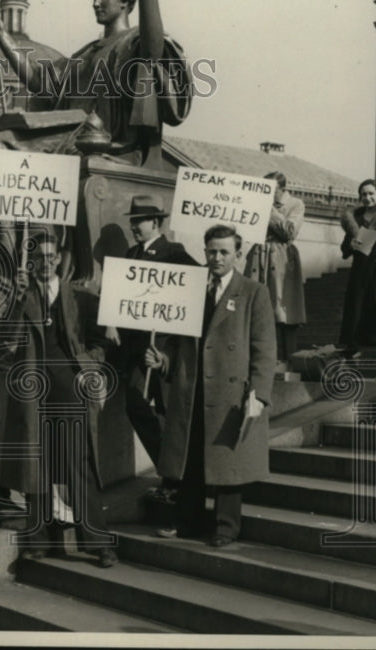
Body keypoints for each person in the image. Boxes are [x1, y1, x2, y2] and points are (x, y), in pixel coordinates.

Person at [0, 0, 191, 165]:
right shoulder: (84, 54)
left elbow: (152, 54)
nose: (95, 3)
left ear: (125, 1)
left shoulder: (133, 42)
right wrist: (2, 36)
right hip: (70, 136)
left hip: (104, 144)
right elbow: (38, 81)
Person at [145, 225, 276, 547]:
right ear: (204, 252)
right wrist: (163, 360)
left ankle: (225, 527)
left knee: (228, 462)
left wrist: (259, 393)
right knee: (191, 456)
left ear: (237, 255)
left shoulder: (254, 292)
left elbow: (265, 349)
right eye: (212, 251)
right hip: (192, 385)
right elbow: (177, 343)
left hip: (232, 391)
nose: (216, 258)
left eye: (224, 252)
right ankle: (187, 521)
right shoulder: (191, 289)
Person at [4, 231, 117, 568]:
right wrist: (17, 301)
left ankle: (97, 542)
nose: (46, 263)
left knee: (77, 465)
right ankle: (40, 541)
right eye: (39, 257)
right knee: (37, 464)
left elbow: (100, 342)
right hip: (33, 393)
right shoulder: (21, 298)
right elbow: (5, 344)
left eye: (52, 257)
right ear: (31, 261)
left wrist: (89, 366)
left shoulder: (81, 299)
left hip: (70, 392)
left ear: (61, 259)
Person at [105, 195, 197, 500]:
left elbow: (195, 292)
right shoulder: (131, 254)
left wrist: (167, 348)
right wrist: (112, 321)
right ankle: (169, 472)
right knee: (136, 404)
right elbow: (119, 295)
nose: (133, 226)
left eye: (139, 221)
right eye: (131, 221)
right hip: (134, 350)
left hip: (162, 350)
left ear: (156, 222)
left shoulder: (175, 254)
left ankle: (178, 480)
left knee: (168, 413)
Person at [244, 172, 307, 366]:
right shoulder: (258, 204)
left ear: (281, 189)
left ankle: (287, 359)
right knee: (254, 307)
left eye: (270, 189)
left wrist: (269, 210)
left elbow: (289, 231)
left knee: (282, 309)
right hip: (258, 257)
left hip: (281, 259)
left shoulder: (295, 204)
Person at [338, 179, 376, 359]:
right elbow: (344, 250)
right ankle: (353, 354)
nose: (367, 197)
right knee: (355, 314)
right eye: (363, 194)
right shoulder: (355, 220)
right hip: (360, 273)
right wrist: (352, 244)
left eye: (371, 193)